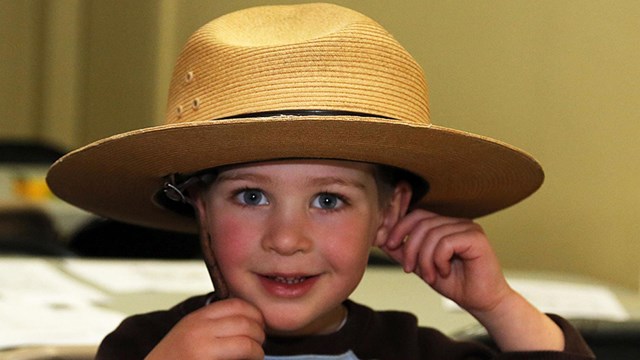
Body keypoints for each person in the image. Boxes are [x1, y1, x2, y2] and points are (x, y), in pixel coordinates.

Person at [46, 3, 594, 359]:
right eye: (251, 195)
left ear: (390, 210)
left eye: (329, 199)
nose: (287, 239)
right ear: (199, 205)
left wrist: (498, 306)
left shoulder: (414, 351)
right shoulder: (148, 347)